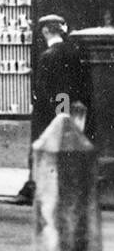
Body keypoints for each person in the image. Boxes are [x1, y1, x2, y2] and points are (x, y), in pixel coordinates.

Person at [14, 15, 92, 205]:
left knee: (40, 147)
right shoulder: (73, 52)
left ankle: (33, 187)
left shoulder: (48, 56)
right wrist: (63, 112)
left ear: (45, 31)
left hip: (46, 111)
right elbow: (73, 86)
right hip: (64, 107)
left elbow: (44, 89)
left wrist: (55, 113)